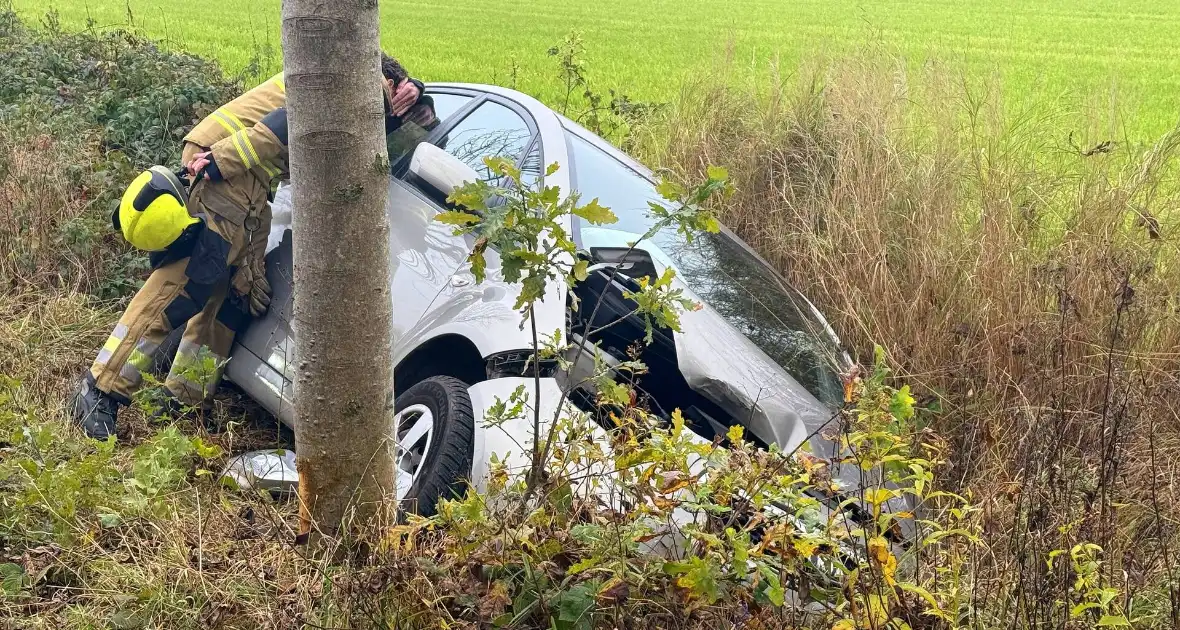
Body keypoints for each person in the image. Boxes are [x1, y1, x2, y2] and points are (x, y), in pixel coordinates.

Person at [71, 54, 430, 440]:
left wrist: (418, 100)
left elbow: (410, 124)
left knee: (230, 300)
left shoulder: (342, 72)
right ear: (391, 82)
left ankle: (183, 401)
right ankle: (100, 389)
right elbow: (284, 126)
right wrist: (220, 162)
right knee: (182, 287)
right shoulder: (360, 78)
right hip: (230, 168)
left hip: (247, 180)